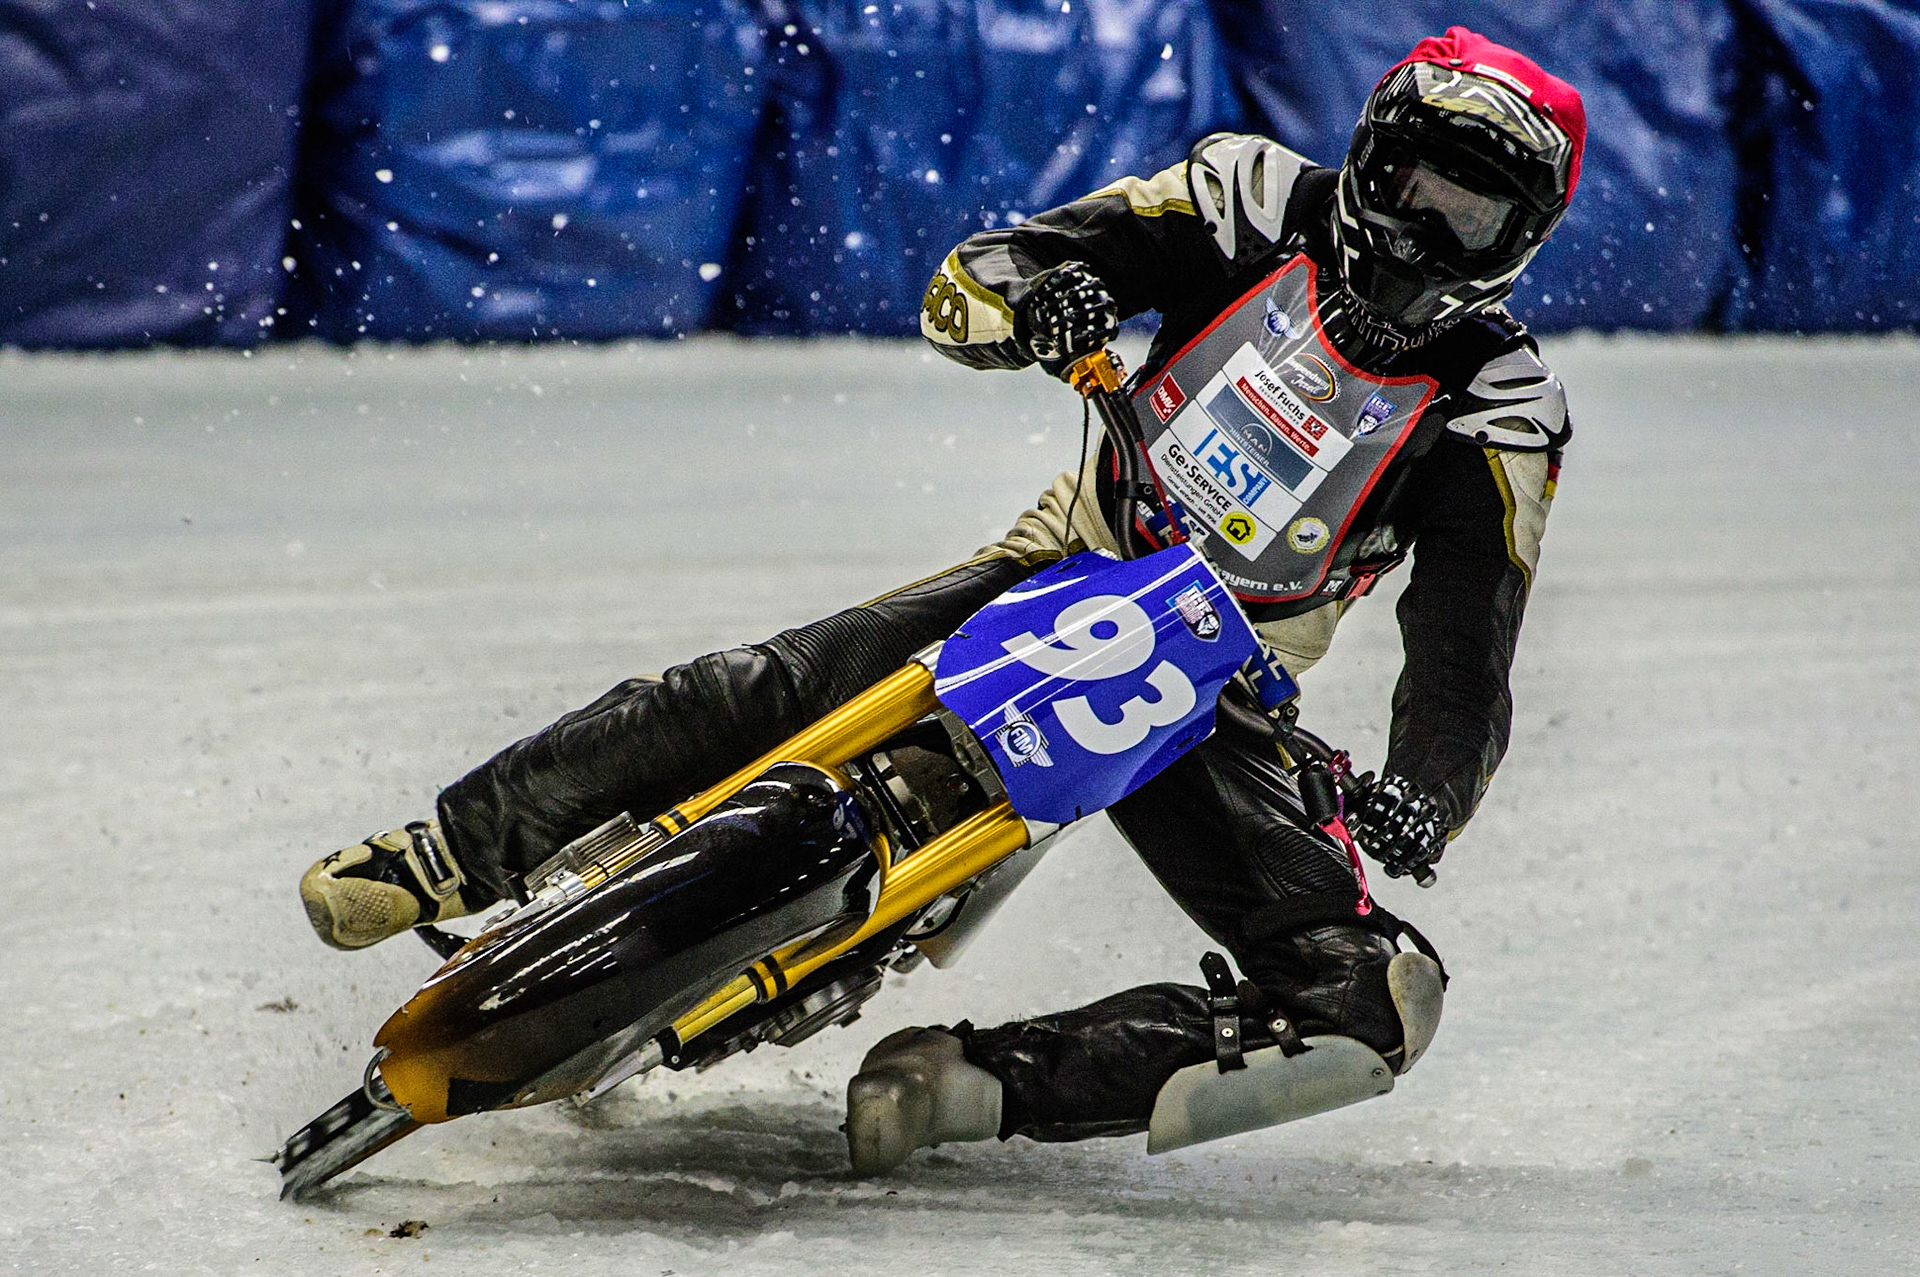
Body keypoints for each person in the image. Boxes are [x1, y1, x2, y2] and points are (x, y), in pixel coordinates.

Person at [299, 27, 1581, 1172]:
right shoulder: (1241, 196)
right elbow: (975, 276)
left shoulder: (1501, 410)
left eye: (1471, 214)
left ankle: (979, 1085)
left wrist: (1430, 790)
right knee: (788, 680)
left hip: (1215, 680)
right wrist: (1041, 297)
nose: (1424, 230)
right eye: (1419, 185)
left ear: (1517, 247)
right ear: (1370, 159)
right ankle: (446, 851)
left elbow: (1468, 650)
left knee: (1374, 1001)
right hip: (1070, 551)